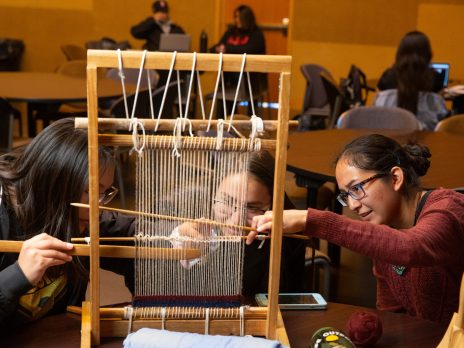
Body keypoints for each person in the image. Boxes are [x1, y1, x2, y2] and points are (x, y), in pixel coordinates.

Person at [248, 134, 464, 324]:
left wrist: (311, 219)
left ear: (396, 178)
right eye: (345, 195)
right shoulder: (383, 235)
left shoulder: (448, 209)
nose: (352, 205)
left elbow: (412, 247)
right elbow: (393, 315)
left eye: (357, 189)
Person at [0, 118, 134, 331]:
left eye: (105, 192)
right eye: (91, 191)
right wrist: (17, 276)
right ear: (55, 186)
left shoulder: (81, 217)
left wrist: (175, 235)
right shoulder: (5, 216)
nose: (97, 206)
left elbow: (127, 231)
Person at [174, 150, 306, 296]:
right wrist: (180, 242)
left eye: (252, 207)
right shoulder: (191, 209)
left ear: (272, 205)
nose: (236, 220)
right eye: (227, 201)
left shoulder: (289, 238)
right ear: (213, 193)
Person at [375, 31, 448, 130]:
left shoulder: (388, 76)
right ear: (428, 53)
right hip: (427, 138)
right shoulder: (436, 78)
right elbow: (439, 113)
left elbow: (378, 104)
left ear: (399, 52)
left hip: (388, 136)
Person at [209, 5, 266, 116]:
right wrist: (218, 48)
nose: (236, 20)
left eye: (239, 17)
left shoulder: (256, 34)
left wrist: (227, 48)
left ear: (247, 19)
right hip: (229, 78)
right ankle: (223, 121)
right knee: (224, 76)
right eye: (235, 17)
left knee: (234, 73)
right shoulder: (231, 32)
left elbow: (250, 50)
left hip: (250, 79)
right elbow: (216, 47)